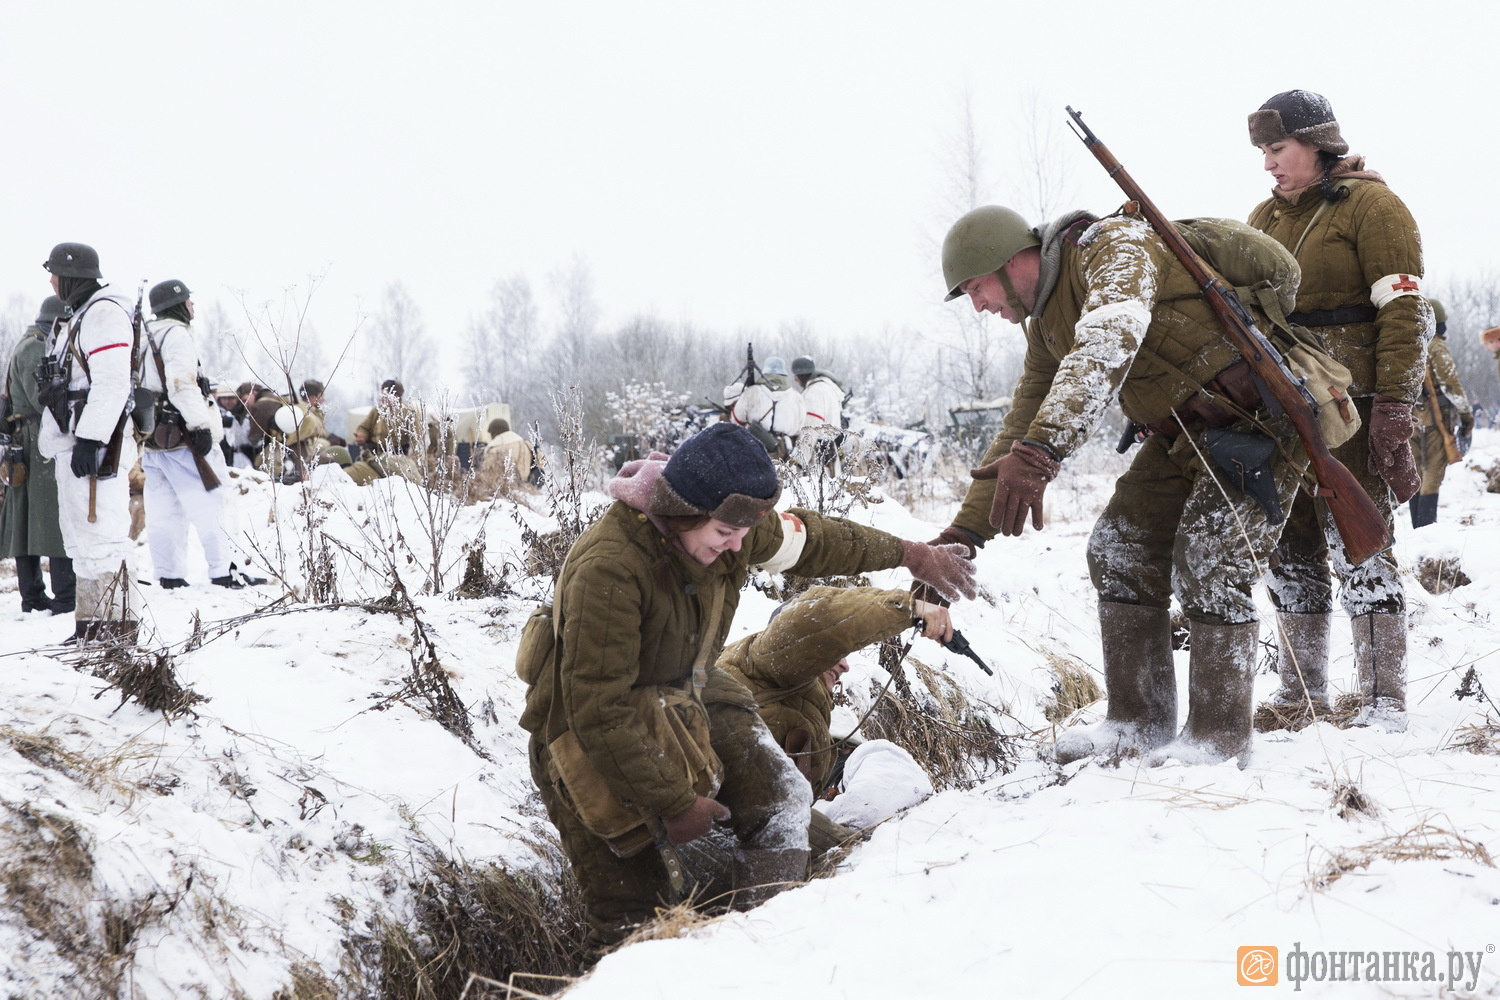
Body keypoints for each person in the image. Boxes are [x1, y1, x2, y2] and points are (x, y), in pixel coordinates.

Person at [517, 422, 976, 946]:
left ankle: (767, 944)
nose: (737, 547)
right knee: (637, 918)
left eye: (742, 535)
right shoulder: (609, 569)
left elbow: (817, 541)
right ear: (681, 512)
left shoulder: (731, 523)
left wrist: (912, 554)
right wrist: (674, 803)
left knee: (781, 797)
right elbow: (597, 708)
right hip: (583, 741)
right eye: (722, 535)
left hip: (686, 699)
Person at [936, 202, 1313, 768]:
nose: (979, 305)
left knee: (1210, 561)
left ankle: (1217, 741)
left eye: (976, 288)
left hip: (1262, 422)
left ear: (1013, 261)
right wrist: (964, 532)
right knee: (1118, 549)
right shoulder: (1044, 327)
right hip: (1183, 433)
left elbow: (1110, 336)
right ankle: (1136, 725)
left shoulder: (1113, 247)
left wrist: (1043, 450)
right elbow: (1021, 420)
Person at [1247, 89, 1430, 733]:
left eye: (1278, 149)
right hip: (1282, 411)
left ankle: (1383, 701)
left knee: (1361, 545)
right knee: (1289, 547)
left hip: (1353, 407)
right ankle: (1303, 695)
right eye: (1262, 153)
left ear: (1317, 143)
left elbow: (1406, 312)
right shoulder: (1262, 221)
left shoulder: (1373, 207)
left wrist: (1395, 404)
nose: (1268, 164)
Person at [717, 585, 952, 854]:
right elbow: (810, 618)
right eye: (835, 653)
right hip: (711, 830)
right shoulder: (772, 657)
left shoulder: (804, 698)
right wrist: (908, 608)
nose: (845, 665)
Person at [37, 242, 144, 642]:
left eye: (54, 273)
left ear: (70, 275)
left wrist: (90, 438)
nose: (50, 280)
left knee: (103, 538)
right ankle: (92, 627)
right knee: (81, 538)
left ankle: (117, 629)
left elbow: (113, 382)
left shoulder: (102, 314)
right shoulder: (82, 315)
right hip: (78, 439)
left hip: (95, 444)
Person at [139, 279, 248, 589]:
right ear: (177, 304)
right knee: (212, 504)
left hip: (154, 436)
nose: (192, 306)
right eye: (188, 300)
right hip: (183, 434)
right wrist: (199, 426)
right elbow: (182, 384)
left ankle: (170, 575)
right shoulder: (175, 334)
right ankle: (225, 571)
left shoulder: (145, 335)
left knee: (162, 512)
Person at [0, 296, 76, 615]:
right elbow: (41, 399)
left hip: (30, 439)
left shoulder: (34, 342)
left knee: (29, 518)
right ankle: (63, 595)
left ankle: (35, 596)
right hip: (36, 439)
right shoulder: (36, 346)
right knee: (53, 517)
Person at [1408, 299, 1473, 528]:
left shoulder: (1409, 343)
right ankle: (1426, 531)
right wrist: (1466, 416)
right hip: (1437, 419)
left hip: (1412, 418)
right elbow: (1451, 385)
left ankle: (1417, 531)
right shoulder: (1435, 347)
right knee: (1432, 474)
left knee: (1416, 473)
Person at [347, 379, 438, 486]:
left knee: (407, 484)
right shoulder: (377, 411)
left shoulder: (408, 413)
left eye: (386, 395)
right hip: (373, 458)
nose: (383, 399)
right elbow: (364, 427)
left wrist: (413, 463)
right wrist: (361, 436)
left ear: (396, 396)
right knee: (349, 475)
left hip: (396, 461)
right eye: (382, 395)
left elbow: (417, 442)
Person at [724, 354, 804, 457]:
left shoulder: (751, 392)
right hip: (786, 453)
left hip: (756, 452)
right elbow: (800, 429)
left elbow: (737, 421)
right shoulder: (797, 397)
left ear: (765, 372)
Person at [791, 355, 848, 430]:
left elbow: (812, 426)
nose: (795, 379)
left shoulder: (814, 392)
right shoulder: (826, 387)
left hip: (819, 440)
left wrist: (803, 441)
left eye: (796, 375)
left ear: (802, 375)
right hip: (829, 438)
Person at [478, 417, 537, 485]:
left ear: (494, 433)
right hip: (528, 488)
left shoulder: (495, 449)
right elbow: (540, 461)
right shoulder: (525, 443)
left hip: (504, 489)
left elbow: (487, 472)